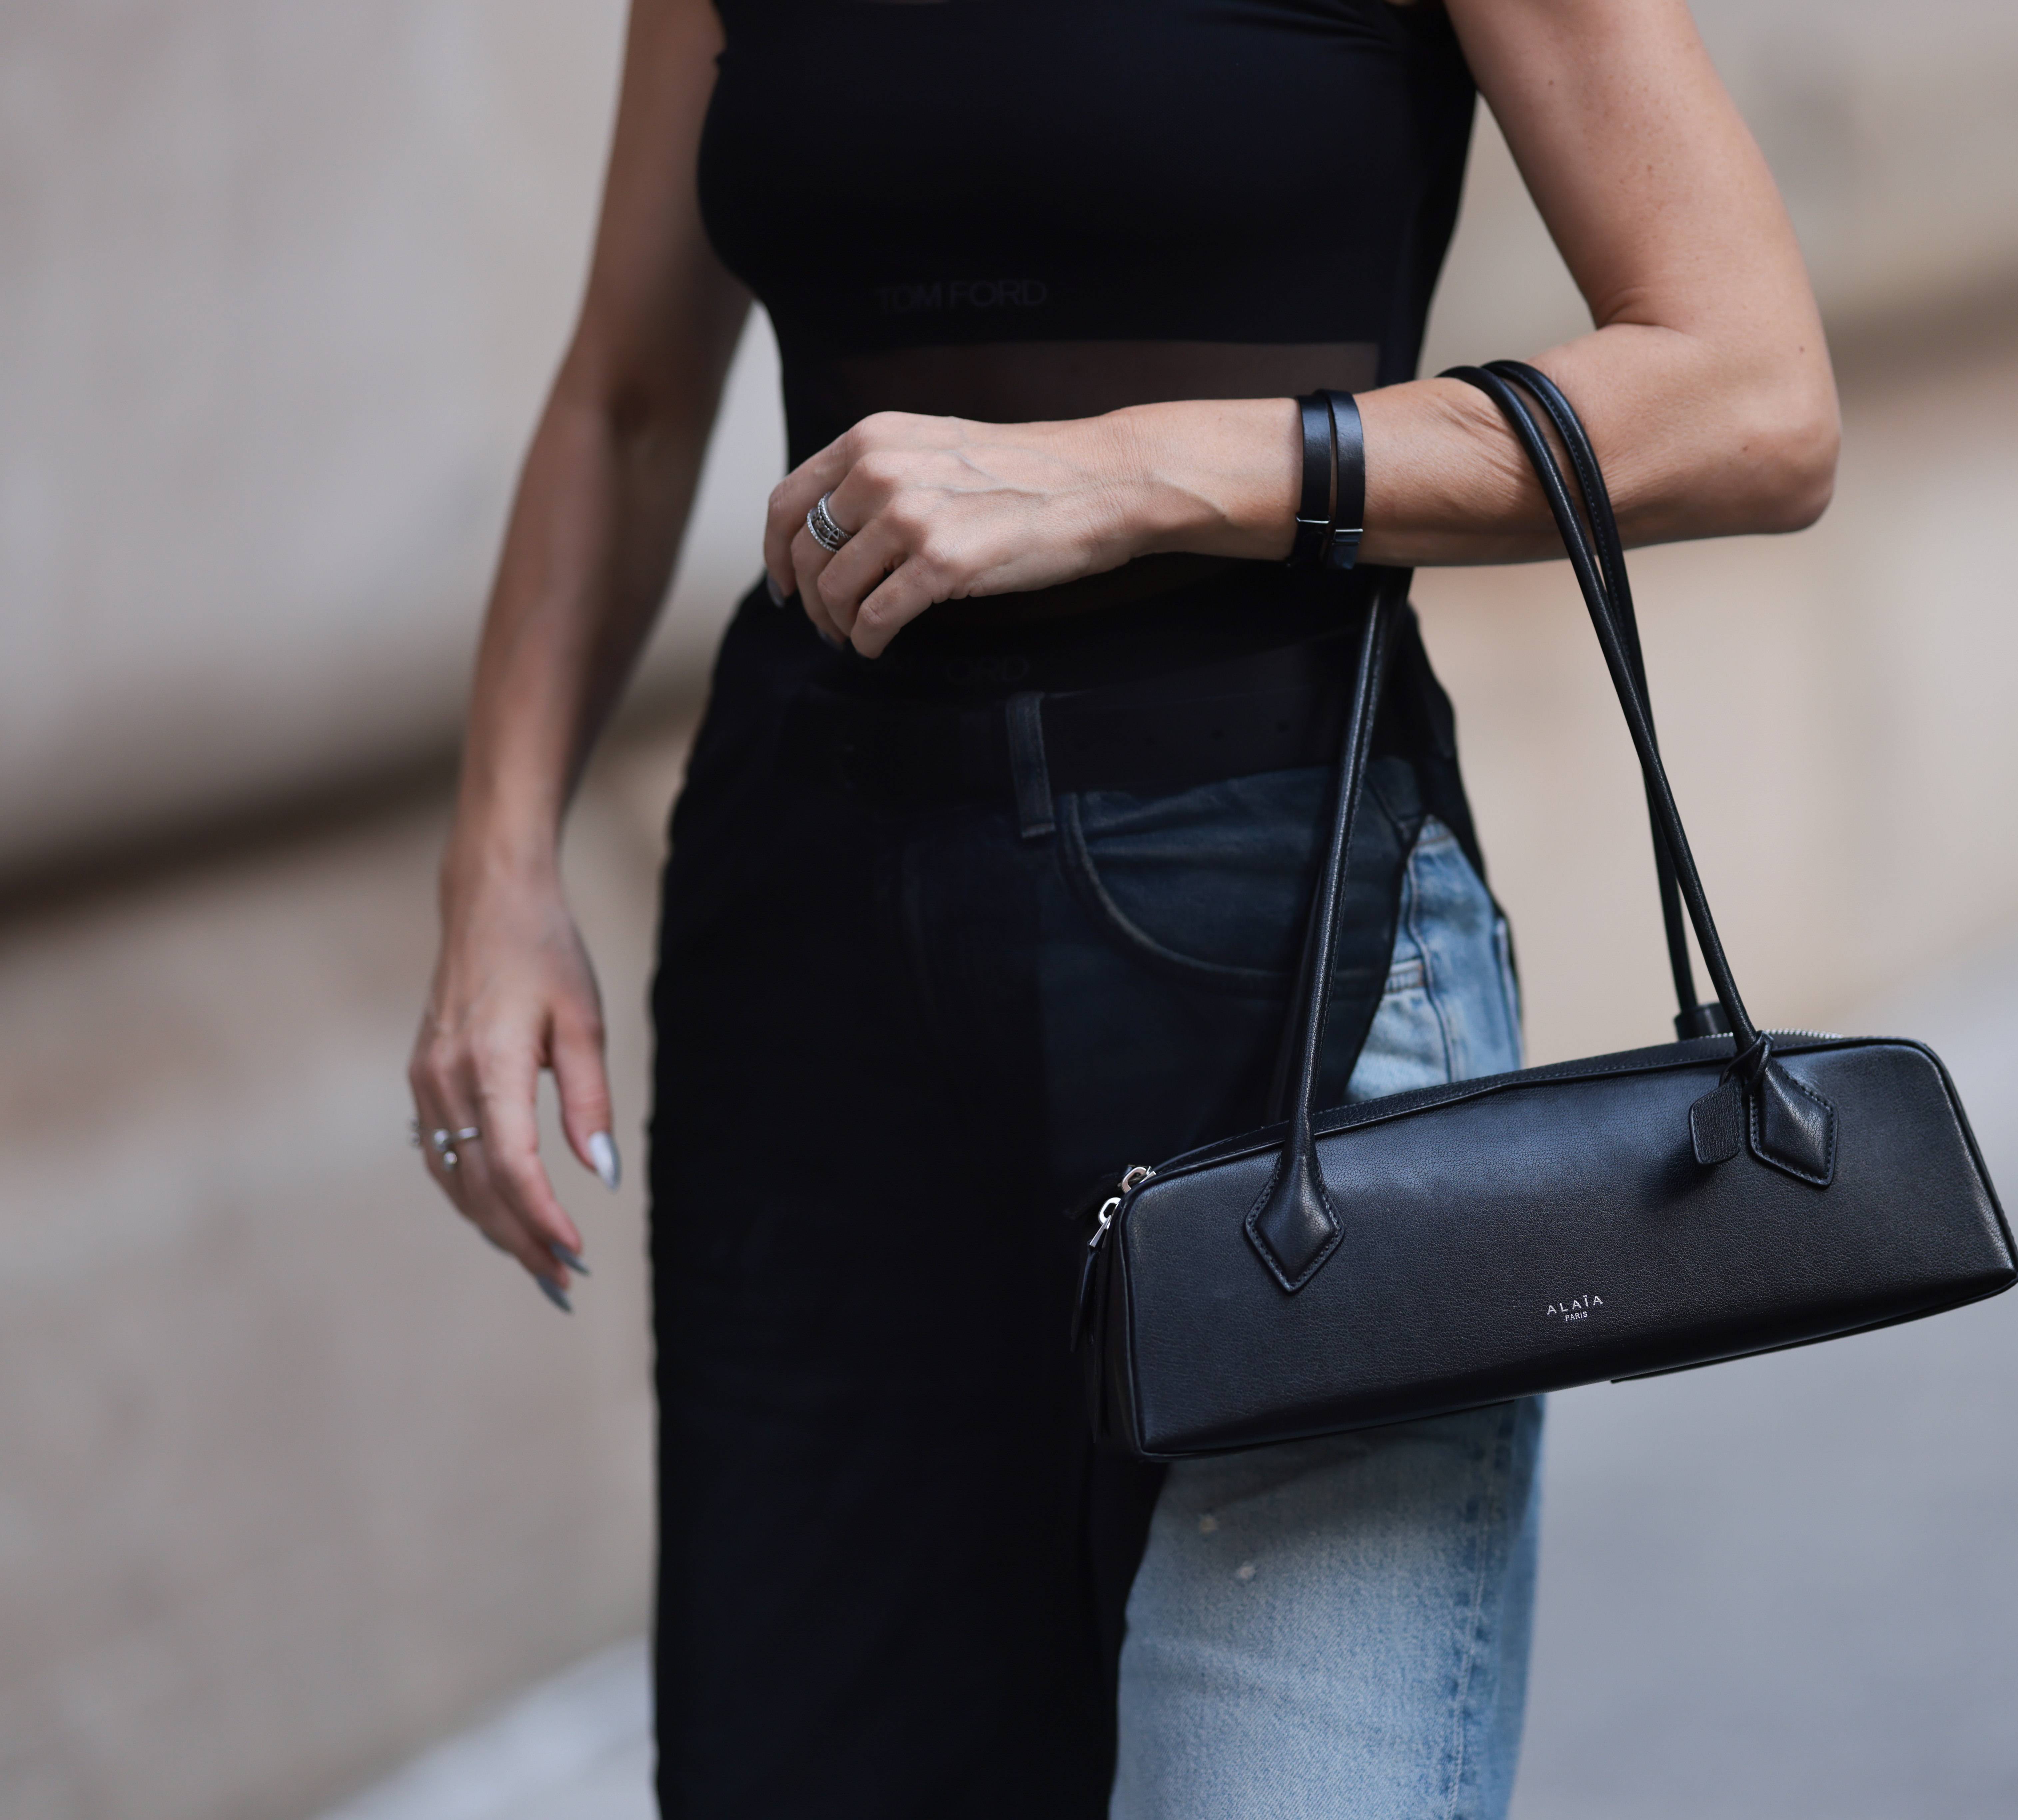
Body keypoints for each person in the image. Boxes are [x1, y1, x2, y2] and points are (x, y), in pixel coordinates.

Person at [406, 0, 1834, 1811]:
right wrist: (497, 866)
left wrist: (1133, 469)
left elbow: (1751, 394)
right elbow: (625, 397)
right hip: (812, 976)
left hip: (1282, 962)